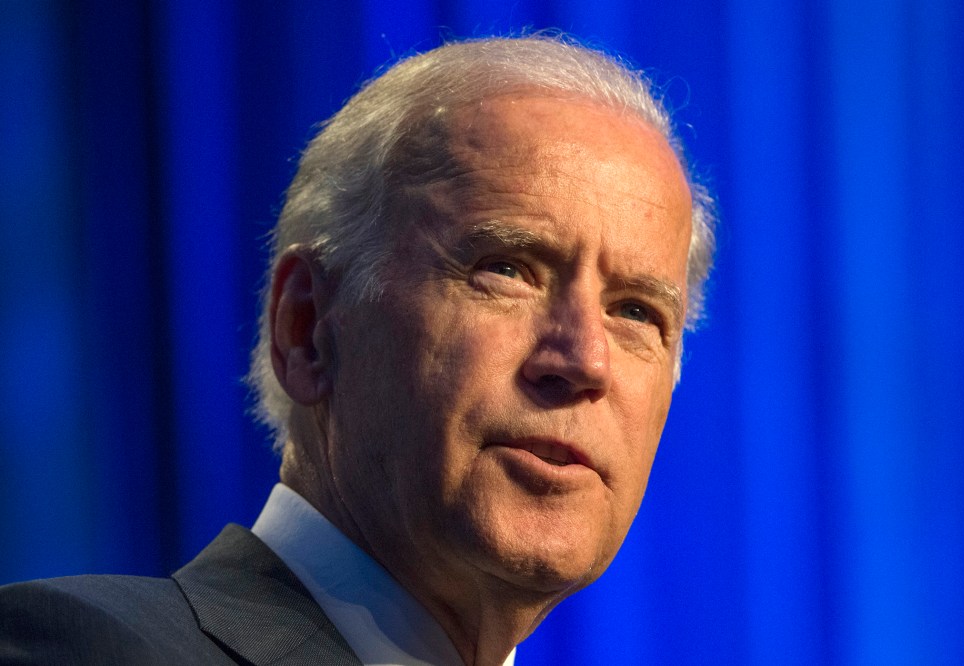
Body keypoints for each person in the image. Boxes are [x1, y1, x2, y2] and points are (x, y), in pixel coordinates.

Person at [0, 34, 714, 666]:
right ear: (308, 328)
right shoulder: (86, 648)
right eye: (506, 269)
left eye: (636, 312)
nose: (584, 360)